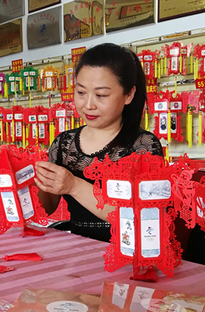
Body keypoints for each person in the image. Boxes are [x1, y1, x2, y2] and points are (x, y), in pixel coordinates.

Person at [35, 43, 163, 242]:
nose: (88, 105)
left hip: (127, 254)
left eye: (101, 95)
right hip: (78, 254)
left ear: (128, 94)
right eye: (81, 92)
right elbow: (47, 206)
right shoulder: (64, 143)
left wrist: (73, 186)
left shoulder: (144, 146)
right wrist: (26, 183)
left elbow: (139, 217)